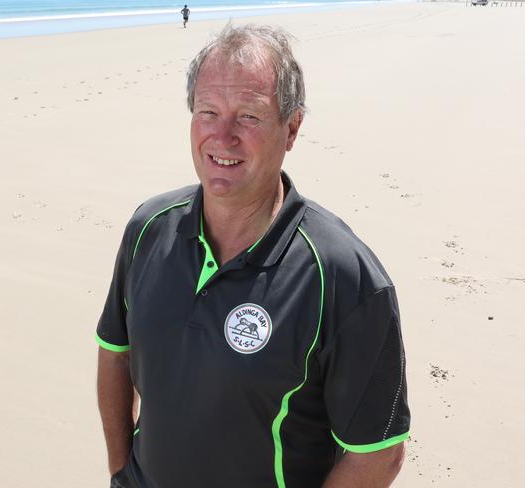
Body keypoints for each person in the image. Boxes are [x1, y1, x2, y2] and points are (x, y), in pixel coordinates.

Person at [96, 24, 410, 488]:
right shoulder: (148, 230)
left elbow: (378, 454)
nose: (222, 137)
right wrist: (122, 473)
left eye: (249, 116)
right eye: (208, 112)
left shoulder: (344, 276)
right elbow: (115, 355)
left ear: (292, 128)